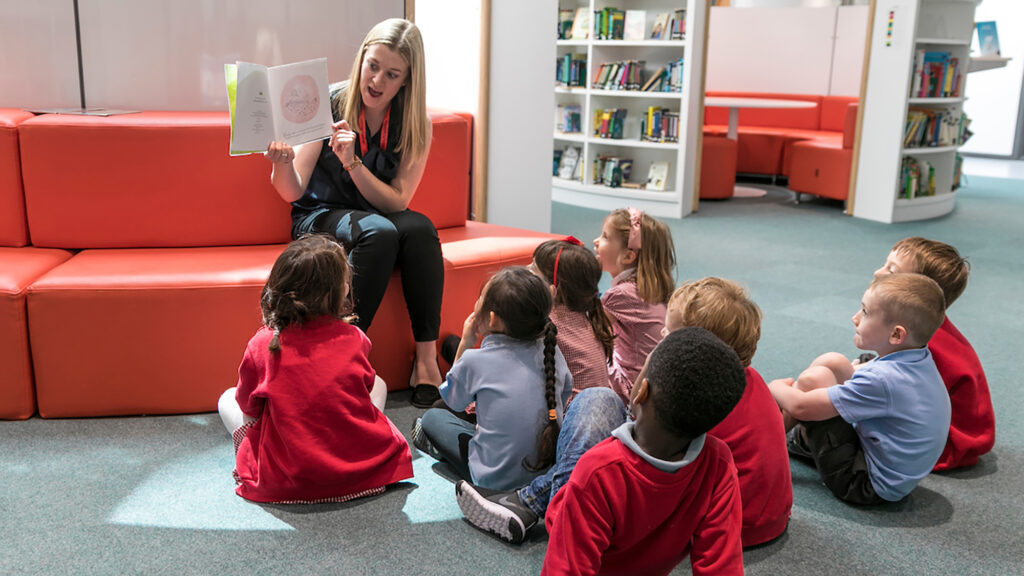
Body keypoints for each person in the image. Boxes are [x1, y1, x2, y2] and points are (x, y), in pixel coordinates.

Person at [264, 18, 444, 408]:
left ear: (407, 81)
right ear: (361, 59)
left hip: (376, 212)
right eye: (372, 66)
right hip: (318, 215)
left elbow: (398, 201)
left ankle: (426, 361)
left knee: (420, 229)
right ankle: (342, 357)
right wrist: (281, 164)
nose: (376, 80)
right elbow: (292, 191)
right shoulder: (327, 103)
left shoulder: (415, 123)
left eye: (391, 74)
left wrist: (352, 163)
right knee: (380, 233)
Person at [217, 235, 412, 503]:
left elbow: (248, 407)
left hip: (284, 482)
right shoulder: (355, 338)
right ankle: (359, 441)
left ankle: (257, 455)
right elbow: (362, 388)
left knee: (227, 399)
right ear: (337, 292)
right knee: (379, 383)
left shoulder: (262, 344)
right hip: (358, 476)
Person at [541, 328, 746, 575]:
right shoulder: (719, 462)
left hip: (577, 521)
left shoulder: (597, 471)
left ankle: (531, 498)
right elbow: (723, 568)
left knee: (594, 400)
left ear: (642, 391)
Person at [769, 273, 951, 505]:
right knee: (832, 361)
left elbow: (800, 407)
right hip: (880, 460)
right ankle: (781, 437)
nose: (854, 318)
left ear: (896, 334)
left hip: (863, 483)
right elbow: (855, 373)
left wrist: (773, 386)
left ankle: (770, 444)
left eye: (865, 312)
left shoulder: (884, 380)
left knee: (812, 381)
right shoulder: (917, 357)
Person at [412, 266, 573, 490]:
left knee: (433, 418)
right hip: (545, 474)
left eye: (481, 298)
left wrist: (465, 343)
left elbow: (452, 401)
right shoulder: (551, 350)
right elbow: (565, 392)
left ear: (493, 319)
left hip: (493, 479)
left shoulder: (475, 360)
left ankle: (449, 457)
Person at [665, 278, 792, 547]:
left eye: (671, 333)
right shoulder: (751, 377)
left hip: (726, 528)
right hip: (773, 518)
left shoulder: (697, 396)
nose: (662, 335)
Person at [874, 237, 995, 471]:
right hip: (959, 437)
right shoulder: (928, 327)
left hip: (944, 447)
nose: (878, 273)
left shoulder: (918, 342)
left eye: (892, 271)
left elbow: (891, 394)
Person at [593, 207, 676, 404]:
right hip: (654, 381)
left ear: (628, 257)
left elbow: (588, 330)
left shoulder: (621, 295)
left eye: (605, 237)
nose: (596, 241)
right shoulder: (647, 287)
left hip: (632, 387)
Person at [530, 238, 615, 401]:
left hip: (568, 413)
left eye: (533, 268)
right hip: (599, 407)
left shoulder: (547, 321)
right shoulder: (585, 316)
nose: (526, 270)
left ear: (553, 288)